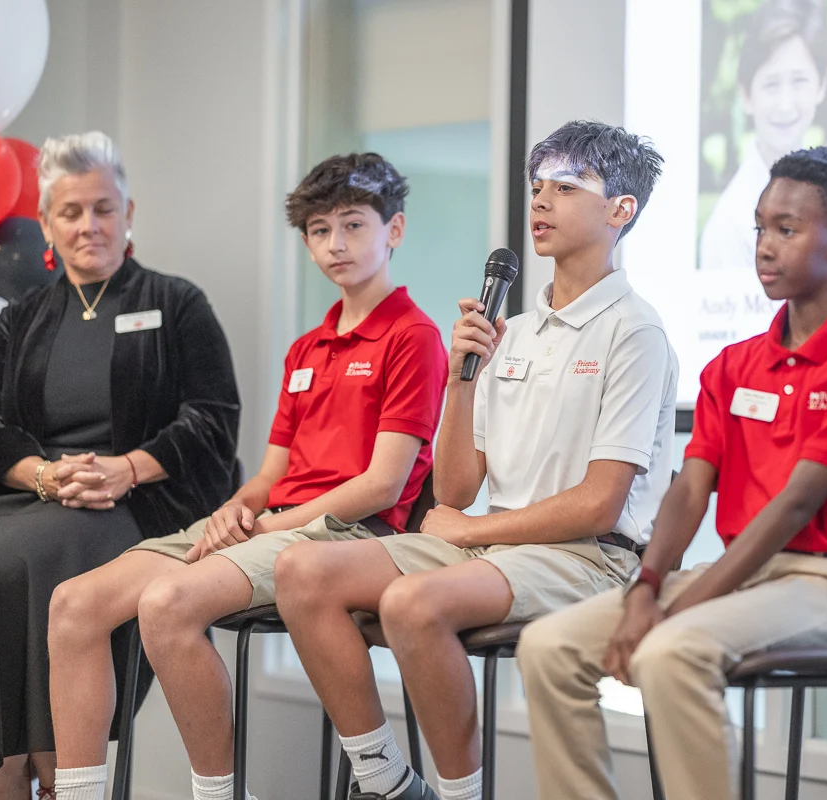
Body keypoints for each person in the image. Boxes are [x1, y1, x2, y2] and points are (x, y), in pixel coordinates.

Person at [273, 120, 678, 800]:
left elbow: (599, 503)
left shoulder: (635, 331)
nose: (540, 200)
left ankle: (461, 795)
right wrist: (463, 380)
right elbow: (457, 488)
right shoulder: (512, 331)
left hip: (589, 556)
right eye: (537, 185)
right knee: (301, 569)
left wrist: (471, 531)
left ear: (620, 211)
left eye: (566, 187)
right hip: (494, 547)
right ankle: (386, 780)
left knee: (411, 604)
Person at [45, 153, 447, 800]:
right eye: (319, 230)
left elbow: (383, 485)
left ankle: (221, 795)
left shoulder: (413, 336)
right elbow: (270, 475)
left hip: (347, 536)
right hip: (272, 525)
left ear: (392, 230)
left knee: (167, 604)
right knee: (74, 605)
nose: (335, 244)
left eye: (353, 225)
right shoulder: (305, 349)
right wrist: (239, 508)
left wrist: (271, 524)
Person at [518, 146, 827, 800]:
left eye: (786, 229)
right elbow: (691, 488)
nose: (764, 245)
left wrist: (681, 605)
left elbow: (795, 505)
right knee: (547, 646)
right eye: (759, 227)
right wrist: (646, 587)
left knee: (671, 650)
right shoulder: (733, 365)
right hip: (743, 578)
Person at [0, 131, 240, 800]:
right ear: (46, 221)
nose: (89, 225)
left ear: (128, 213)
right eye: (72, 212)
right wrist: (43, 475)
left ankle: (33, 769)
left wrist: (126, 469)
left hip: (140, 501)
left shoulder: (177, 304)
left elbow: (213, 420)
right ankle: (8, 759)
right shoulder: (20, 319)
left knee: (20, 559)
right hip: (36, 493)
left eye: (103, 208)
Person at [699, 0, 827, 272]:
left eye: (799, 81)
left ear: (821, 84)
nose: (785, 105)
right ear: (746, 95)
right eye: (771, 84)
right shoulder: (729, 225)